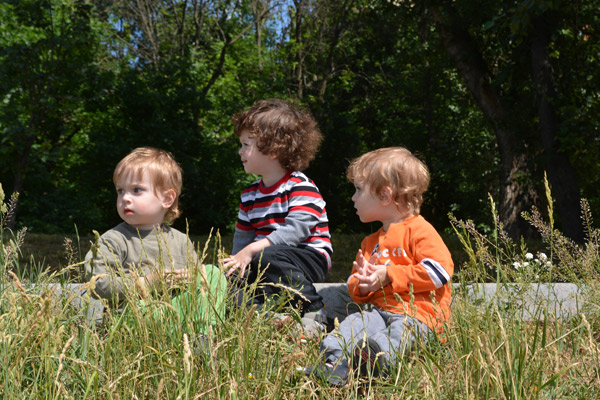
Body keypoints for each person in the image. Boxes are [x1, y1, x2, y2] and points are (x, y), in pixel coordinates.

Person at [306, 147, 454, 386]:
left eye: (359, 190)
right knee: (351, 326)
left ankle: (372, 364)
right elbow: (355, 286)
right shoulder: (370, 242)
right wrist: (363, 285)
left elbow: (440, 271)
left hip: (419, 316)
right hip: (378, 312)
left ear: (385, 196)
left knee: (398, 336)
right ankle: (335, 365)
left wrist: (389, 275)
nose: (353, 198)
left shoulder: (419, 230)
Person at [85, 147, 226, 334]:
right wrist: (147, 282)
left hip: (174, 311)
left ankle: (203, 335)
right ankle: (178, 333)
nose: (125, 198)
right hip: (134, 315)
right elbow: (97, 283)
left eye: (136, 190)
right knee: (145, 310)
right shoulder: (114, 239)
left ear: (166, 199)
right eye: (120, 191)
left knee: (212, 273)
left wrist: (193, 277)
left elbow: (196, 287)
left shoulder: (180, 241)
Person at [223, 98, 333, 329]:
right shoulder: (249, 195)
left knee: (268, 256)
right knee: (229, 282)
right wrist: (236, 265)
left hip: (307, 257)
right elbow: (243, 239)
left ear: (273, 149)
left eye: (246, 144)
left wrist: (251, 251)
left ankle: (315, 311)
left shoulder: (300, 186)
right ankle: (265, 317)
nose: (240, 151)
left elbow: (296, 231)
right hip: (266, 260)